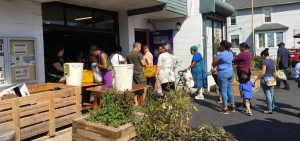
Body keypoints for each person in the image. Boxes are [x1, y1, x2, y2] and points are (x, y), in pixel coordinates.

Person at [212, 40, 235, 114]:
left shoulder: (221, 54)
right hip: (230, 72)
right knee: (229, 90)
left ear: (223, 46)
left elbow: (214, 64)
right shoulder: (230, 53)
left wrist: (215, 57)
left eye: (221, 45)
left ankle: (225, 108)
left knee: (224, 91)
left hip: (223, 73)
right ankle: (232, 105)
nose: (220, 47)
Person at [254, 48, 275, 114]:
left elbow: (263, 72)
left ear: (263, 55)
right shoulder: (272, 61)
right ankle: (272, 107)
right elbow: (275, 69)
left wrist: (257, 79)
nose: (261, 58)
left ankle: (269, 109)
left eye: (261, 56)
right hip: (272, 78)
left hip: (266, 78)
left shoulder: (264, 61)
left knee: (268, 94)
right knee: (272, 94)